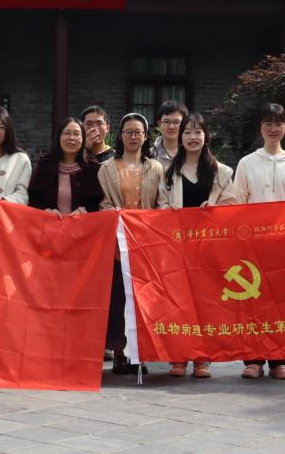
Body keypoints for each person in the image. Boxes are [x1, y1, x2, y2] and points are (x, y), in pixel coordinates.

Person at [233, 102, 285, 380]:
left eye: (278, 123)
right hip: (253, 244)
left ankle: (280, 359)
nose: (273, 129)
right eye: (268, 123)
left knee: (283, 304)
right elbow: (237, 204)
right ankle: (252, 359)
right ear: (261, 128)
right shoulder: (247, 163)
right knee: (253, 303)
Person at [160, 113, 236, 379]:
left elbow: (233, 206)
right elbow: (160, 204)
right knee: (178, 303)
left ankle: (203, 358)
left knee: (207, 303)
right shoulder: (169, 173)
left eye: (198, 132)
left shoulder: (222, 172)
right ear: (180, 137)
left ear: (206, 136)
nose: (192, 137)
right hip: (177, 248)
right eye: (187, 132)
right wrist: (167, 211)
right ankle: (178, 356)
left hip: (209, 249)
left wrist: (215, 209)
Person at [98, 112, 165, 374]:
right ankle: (118, 352)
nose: (133, 136)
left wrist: (148, 223)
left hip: (145, 243)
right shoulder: (107, 168)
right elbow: (103, 202)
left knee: (143, 300)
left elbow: (161, 202)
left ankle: (141, 353)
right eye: (129, 132)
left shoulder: (155, 168)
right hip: (117, 242)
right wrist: (117, 217)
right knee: (117, 299)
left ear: (146, 136)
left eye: (138, 132)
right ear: (120, 135)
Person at [28, 117, 104, 216]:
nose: (71, 138)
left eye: (76, 134)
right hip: (48, 223)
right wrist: (45, 211)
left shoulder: (92, 168)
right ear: (59, 137)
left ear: (83, 139)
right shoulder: (45, 165)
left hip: (83, 224)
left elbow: (97, 202)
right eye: (67, 133)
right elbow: (33, 198)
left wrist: (84, 212)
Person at [153, 100, 188, 170]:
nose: (171, 127)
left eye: (176, 122)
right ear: (159, 123)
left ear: (184, 124)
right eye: (166, 122)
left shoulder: (192, 153)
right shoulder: (150, 155)